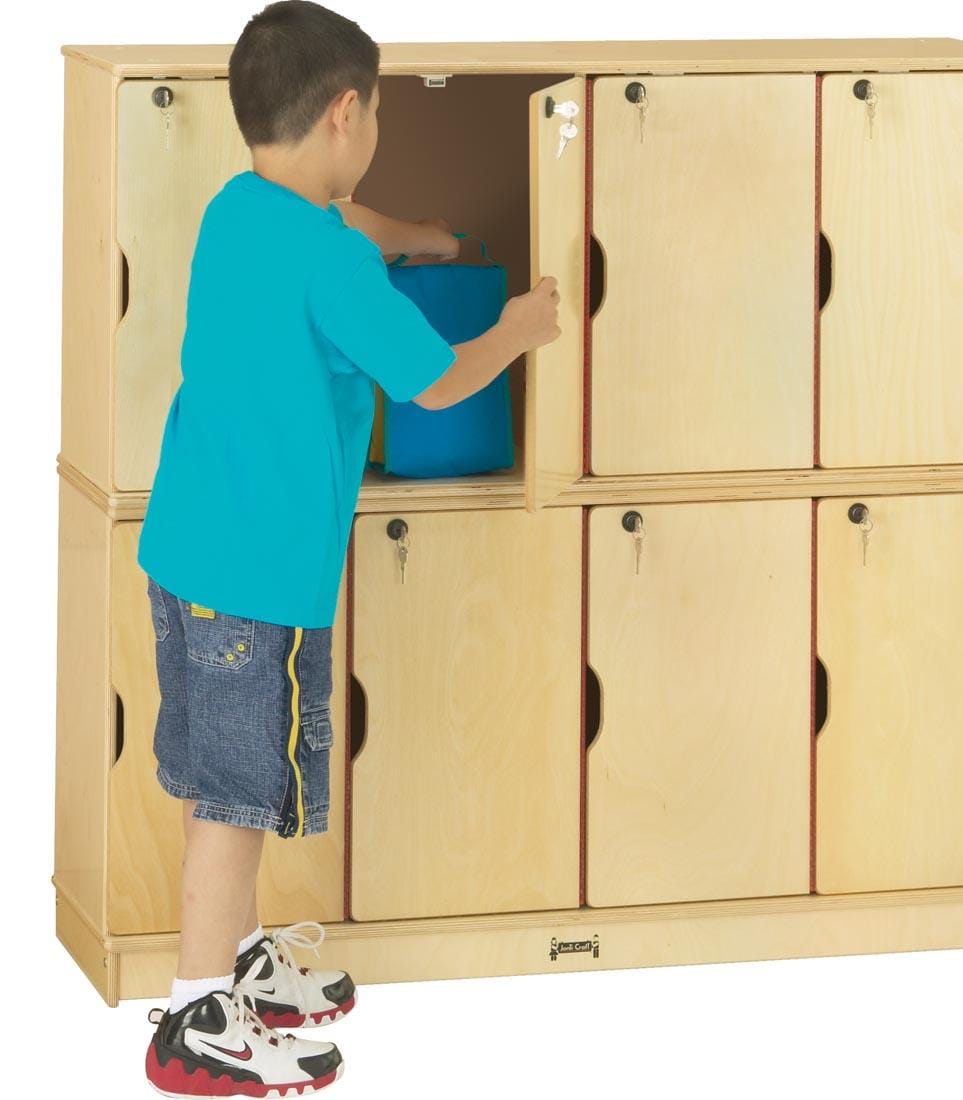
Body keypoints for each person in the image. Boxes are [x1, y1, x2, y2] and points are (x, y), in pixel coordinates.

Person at [137, 2, 561, 1094]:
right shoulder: (335, 270)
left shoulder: (235, 209)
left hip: (184, 548)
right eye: (374, 114)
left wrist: (413, 235)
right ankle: (195, 1020)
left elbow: (340, 222)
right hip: (257, 577)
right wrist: (515, 328)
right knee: (237, 797)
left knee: (210, 775)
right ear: (345, 113)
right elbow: (431, 379)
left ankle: (231, 967)